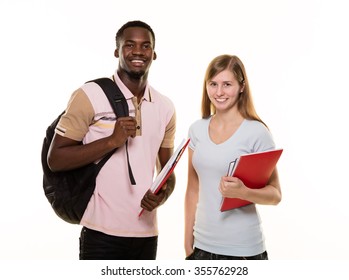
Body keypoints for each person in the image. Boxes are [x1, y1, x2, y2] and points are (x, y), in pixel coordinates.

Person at [47, 20, 176, 260]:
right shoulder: (89, 95)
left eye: (145, 46)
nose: (138, 51)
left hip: (147, 235)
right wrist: (110, 141)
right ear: (117, 51)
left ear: (154, 54)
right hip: (100, 234)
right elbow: (56, 158)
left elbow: (168, 173)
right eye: (129, 45)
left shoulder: (165, 106)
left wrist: (163, 194)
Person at [184, 54, 281, 260]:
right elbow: (193, 189)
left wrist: (244, 192)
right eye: (213, 84)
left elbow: (275, 195)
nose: (219, 92)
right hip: (201, 247)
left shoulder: (256, 133)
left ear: (241, 86)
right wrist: (187, 243)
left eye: (227, 84)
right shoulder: (197, 129)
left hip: (243, 250)